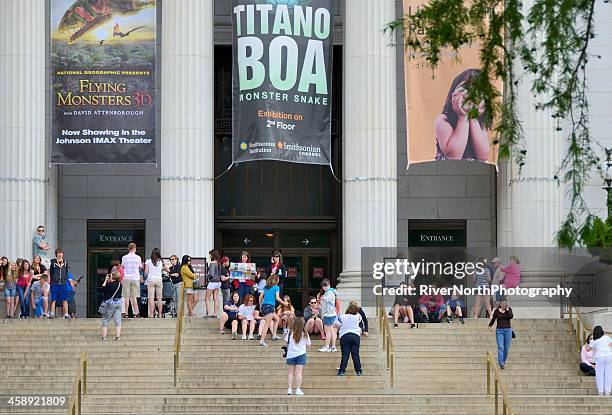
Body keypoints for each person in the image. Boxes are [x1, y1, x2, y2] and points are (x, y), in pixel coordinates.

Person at [434, 68, 491, 162]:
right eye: (465, 90)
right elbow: (453, 157)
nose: (470, 96)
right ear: (453, 95)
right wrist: (463, 116)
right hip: (448, 173)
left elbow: (483, 156)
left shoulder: (481, 123)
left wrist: (473, 116)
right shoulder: (443, 120)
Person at [259, 274, 288, 347]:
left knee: (277, 319)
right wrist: (284, 303)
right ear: (276, 280)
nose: (278, 280)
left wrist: (261, 305)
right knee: (267, 324)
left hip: (264, 306)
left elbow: (260, 297)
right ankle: (262, 341)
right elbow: (278, 298)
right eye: (278, 279)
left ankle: (274, 335)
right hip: (270, 307)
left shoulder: (266, 287)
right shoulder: (276, 287)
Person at [335, 303, 363, 376]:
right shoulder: (358, 316)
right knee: (355, 354)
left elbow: (337, 325)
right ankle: (358, 371)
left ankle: (342, 371)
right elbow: (360, 323)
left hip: (345, 335)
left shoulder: (342, 316)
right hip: (355, 336)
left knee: (345, 355)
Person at [285, 317, 311, 396]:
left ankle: (289, 389)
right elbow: (309, 345)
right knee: (299, 372)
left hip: (291, 354)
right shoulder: (305, 333)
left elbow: (286, 342)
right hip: (301, 354)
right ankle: (298, 389)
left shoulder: (290, 332)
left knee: (290, 373)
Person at [488, 299, 514, 369]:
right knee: (500, 347)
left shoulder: (509, 309)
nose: (503, 305)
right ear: (500, 304)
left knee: (506, 348)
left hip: (508, 330)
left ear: (506, 304)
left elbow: (511, 317)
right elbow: (493, 319)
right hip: (499, 330)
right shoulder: (496, 310)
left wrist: (507, 310)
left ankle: (503, 360)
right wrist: (489, 326)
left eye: (505, 303)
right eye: (502, 303)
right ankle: (501, 363)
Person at [144, 248, 167, 318]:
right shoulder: (161, 262)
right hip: (159, 280)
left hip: (151, 280)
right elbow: (166, 270)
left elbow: (146, 273)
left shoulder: (148, 261)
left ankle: (151, 314)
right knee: (159, 298)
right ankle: (160, 314)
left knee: (151, 298)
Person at [121, 243, 142, 318]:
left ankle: (126, 313)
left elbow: (122, 266)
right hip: (135, 278)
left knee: (126, 297)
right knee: (134, 297)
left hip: (126, 278)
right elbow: (140, 267)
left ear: (128, 248)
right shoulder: (138, 257)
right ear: (135, 248)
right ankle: (136, 313)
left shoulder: (124, 257)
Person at [100, 272, 122, 341]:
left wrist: (105, 281)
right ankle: (118, 336)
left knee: (105, 319)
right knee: (117, 319)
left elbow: (102, 290)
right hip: (118, 303)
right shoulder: (119, 284)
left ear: (112, 277)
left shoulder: (109, 284)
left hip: (110, 304)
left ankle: (104, 337)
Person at [49, 249, 70, 319]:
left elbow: (66, 273)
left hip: (63, 283)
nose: (60, 254)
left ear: (63, 254)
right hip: (55, 283)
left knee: (64, 299)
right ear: (56, 254)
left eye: (61, 253)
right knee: (53, 299)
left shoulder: (66, 263)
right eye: (58, 253)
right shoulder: (53, 263)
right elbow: (51, 273)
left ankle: (66, 314)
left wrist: (64, 279)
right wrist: (53, 280)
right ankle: (52, 313)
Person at [591, 325, 612, 395]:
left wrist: (587, 345)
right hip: (609, 356)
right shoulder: (606, 337)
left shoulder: (593, 340)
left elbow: (588, 349)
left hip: (599, 357)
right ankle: (608, 391)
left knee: (599, 374)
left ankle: (601, 391)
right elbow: (611, 344)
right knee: (608, 374)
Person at [318, 279, 338, 352]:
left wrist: (321, 297)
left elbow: (326, 300)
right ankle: (332, 346)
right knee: (331, 330)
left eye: (325, 285)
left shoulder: (329, 292)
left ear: (329, 285)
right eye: (323, 286)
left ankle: (327, 346)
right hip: (331, 313)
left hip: (329, 314)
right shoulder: (331, 291)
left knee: (328, 331)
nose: (324, 287)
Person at [205, 249, 221, 318]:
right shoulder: (218, 263)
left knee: (207, 298)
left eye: (210, 254)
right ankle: (215, 314)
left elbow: (211, 274)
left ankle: (208, 313)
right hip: (218, 282)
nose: (209, 255)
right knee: (215, 298)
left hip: (212, 282)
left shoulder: (212, 263)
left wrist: (206, 276)